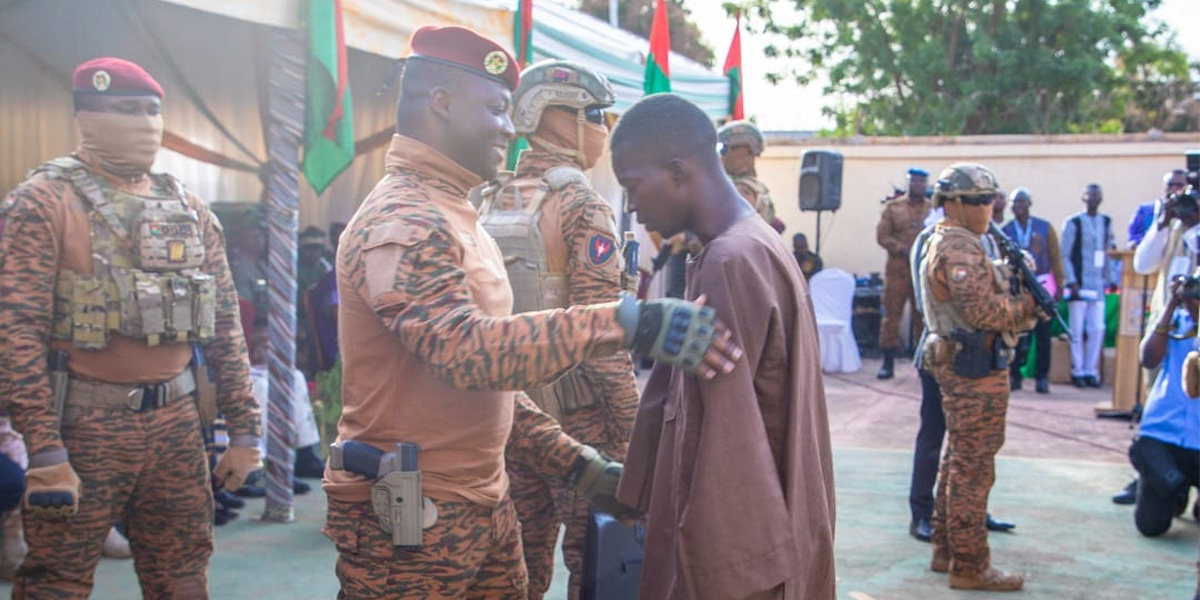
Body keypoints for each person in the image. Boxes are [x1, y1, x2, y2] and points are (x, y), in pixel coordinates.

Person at [323, 27, 738, 599]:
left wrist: (582, 469)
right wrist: (626, 322)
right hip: (413, 524)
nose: (507, 127)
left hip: (479, 504)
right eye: (495, 109)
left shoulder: (458, 211)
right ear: (441, 103)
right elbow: (467, 353)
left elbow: (490, 393)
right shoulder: (407, 217)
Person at [0, 57, 261, 599]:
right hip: (83, 424)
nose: (144, 123)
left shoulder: (187, 206)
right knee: (57, 581)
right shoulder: (44, 201)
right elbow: (15, 331)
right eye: (126, 110)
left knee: (184, 573)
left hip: (177, 423)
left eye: (152, 111)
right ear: (85, 116)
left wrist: (244, 429)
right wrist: (45, 450)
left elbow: (224, 324)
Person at [612, 93, 835, 600]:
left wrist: (704, 578)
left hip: (740, 559)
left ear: (677, 171)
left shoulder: (729, 260)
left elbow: (720, 445)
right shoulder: (753, 241)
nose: (631, 206)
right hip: (782, 529)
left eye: (632, 186)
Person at [476, 59, 640, 600]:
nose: (603, 128)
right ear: (555, 117)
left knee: (515, 564)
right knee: (596, 564)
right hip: (582, 421)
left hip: (509, 415)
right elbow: (603, 335)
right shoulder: (581, 205)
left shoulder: (483, 200)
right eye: (594, 114)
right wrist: (633, 432)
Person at [918, 163, 1038, 591]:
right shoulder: (960, 248)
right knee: (974, 467)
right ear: (952, 203)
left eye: (990, 199)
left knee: (957, 460)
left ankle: (946, 550)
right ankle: (970, 565)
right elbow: (982, 312)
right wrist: (1028, 306)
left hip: (968, 363)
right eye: (977, 201)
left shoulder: (962, 241)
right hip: (973, 367)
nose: (988, 207)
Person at [907, 211, 1018, 546]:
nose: (987, 213)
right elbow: (934, 299)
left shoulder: (975, 239)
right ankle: (922, 514)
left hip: (973, 356)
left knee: (967, 444)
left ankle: (966, 513)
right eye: (980, 204)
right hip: (943, 352)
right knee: (934, 435)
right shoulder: (934, 239)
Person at [1130, 275, 1200, 537]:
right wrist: (1172, 304)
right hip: (1164, 434)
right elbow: (1148, 359)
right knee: (1151, 526)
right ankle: (1175, 490)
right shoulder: (1176, 325)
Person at [1002, 188, 1066, 393]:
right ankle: (1015, 376)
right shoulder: (1005, 230)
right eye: (1015, 202)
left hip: (1042, 287)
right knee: (1015, 334)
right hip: (1016, 289)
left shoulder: (1044, 228)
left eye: (1022, 202)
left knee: (1043, 334)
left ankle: (1041, 377)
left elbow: (1055, 258)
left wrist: (1060, 284)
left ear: (1029, 204)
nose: (1018, 206)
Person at [876, 167, 932, 379]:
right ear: (908, 182)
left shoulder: (932, 209)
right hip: (898, 270)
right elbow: (882, 236)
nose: (917, 185)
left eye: (921, 182)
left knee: (922, 317)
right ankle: (888, 362)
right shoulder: (893, 208)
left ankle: (922, 363)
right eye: (914, 181)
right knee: (891, 316)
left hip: (922, 272)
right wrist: (901, 248)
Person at [1060, 184, 1116, 388]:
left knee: (1097, 328)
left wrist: (1111, 278)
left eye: (1097, 196)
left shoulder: (1106, 221)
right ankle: (1078, 370)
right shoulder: (1073, 222)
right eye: (1090, 195)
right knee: (1076, 329)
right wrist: (1071, 280)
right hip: (1079, 284)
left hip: (1098, 284)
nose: (1093, 199)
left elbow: (1109, 251)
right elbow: (1064, 254)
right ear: (1083, 198)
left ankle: (1091, 370)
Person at [717, 120, 777, 225]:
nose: (722, 156)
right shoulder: (759, 188)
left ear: (746, 151)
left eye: (724, 149)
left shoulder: (741, 191)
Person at [1129, 170, 1189, 250]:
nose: (1174, 188)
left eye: (1179, 185)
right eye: (1170, 184)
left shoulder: (1194, 212)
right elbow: (1134, 238)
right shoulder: (1146, 210)